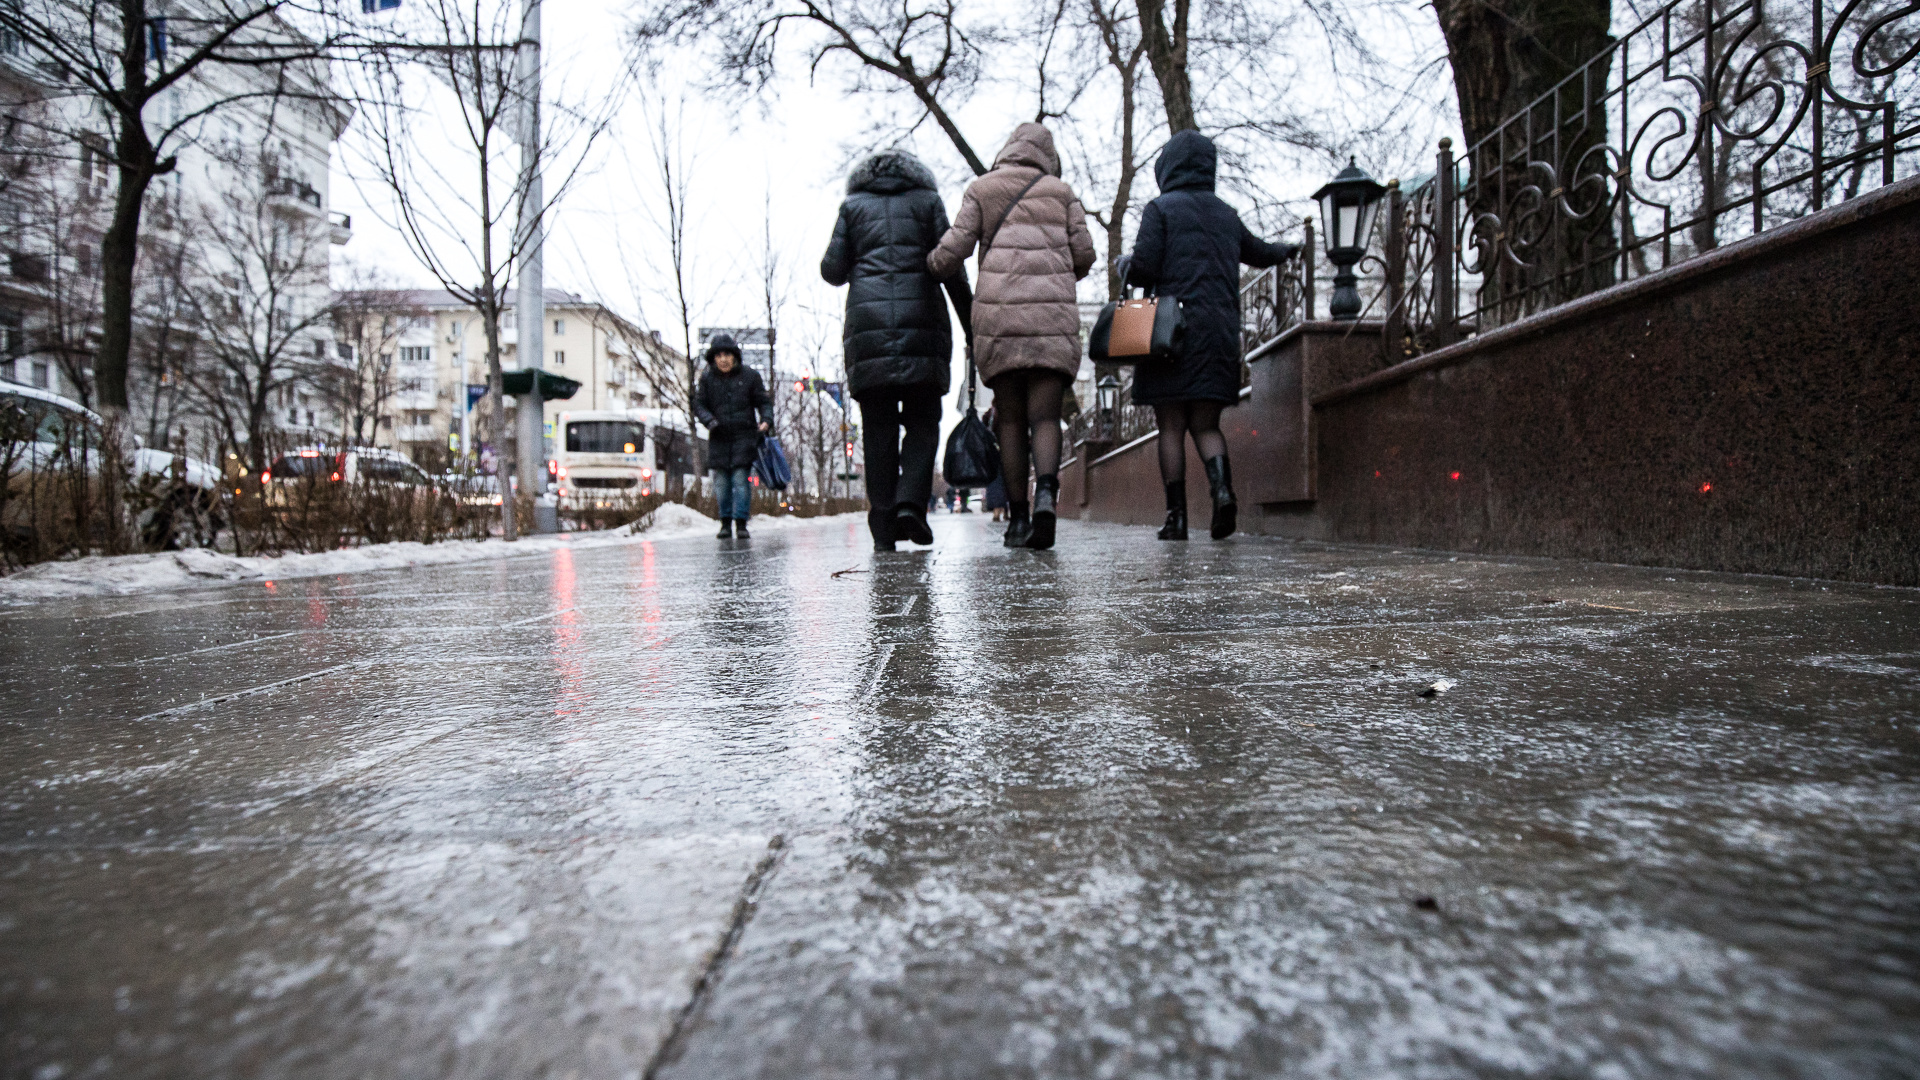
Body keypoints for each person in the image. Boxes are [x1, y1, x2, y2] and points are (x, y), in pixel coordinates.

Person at [1126, 130, 1299, 541]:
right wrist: (1289, 250)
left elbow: (1144, 268)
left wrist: (1123, 265)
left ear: (1166, 167)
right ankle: (1223, 494)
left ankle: (1177, 519)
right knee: (1206, 425)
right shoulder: (1226, 213)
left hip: (1168, 334)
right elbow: (1258, 251)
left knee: (1170, 425)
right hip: (1217, 334)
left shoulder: (1160, 209)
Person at [929, 122, 1095, 551]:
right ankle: (1046, 497)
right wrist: (1057, 272)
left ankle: (1017, 520)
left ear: (1008, 150)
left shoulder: (982, 189)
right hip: (1051, 321)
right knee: (1044, 418)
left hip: (999, 323)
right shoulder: (1062, 193)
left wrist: (926, 264)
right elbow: (1085, 254)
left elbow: (953, 250)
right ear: (1047, 155)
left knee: (1011, 422)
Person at [821, 149, 974, 552]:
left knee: (878, 431)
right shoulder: (927, 202)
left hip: (868, 333)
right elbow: (950, 266)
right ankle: (911, 503)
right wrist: (972, 323)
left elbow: (832, 270)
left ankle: (884, 527)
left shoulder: (852, 207)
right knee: (923, 424)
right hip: (923, 327)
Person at [694, 333, 774, 539]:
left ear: (734, 356)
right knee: (721, 483)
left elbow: (763, 402)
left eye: (727, 354)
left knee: (740, 480)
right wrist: (709, 421)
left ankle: (741, 523)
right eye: (718, 355)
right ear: (713, 358)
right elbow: (699, 404)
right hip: (718, 436)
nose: (723, 359)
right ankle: (724, 523)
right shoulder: (707, 379)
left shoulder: (750, 376)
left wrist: (766, 420)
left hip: (744, 436)